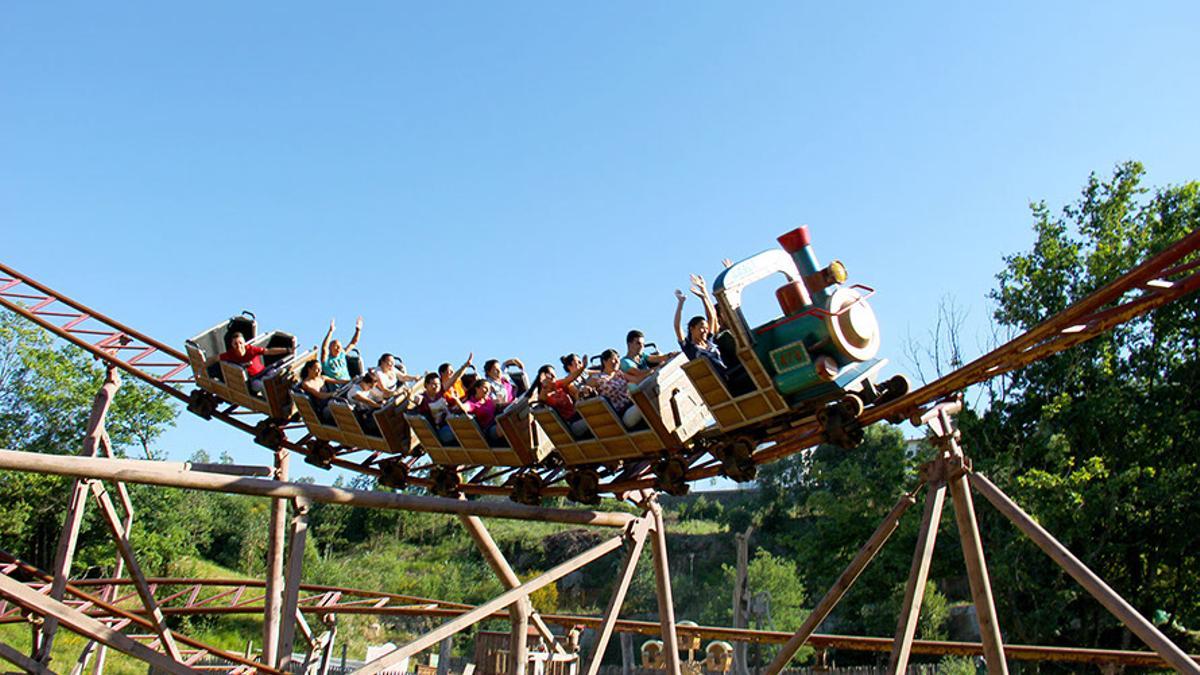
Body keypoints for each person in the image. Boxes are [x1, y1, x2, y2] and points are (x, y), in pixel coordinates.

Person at [674, 274, 729, 380]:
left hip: (727, 374)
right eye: (701, 328)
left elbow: (712, 317)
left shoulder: (709, 341)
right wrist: (681, 303)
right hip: (714, 381)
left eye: (706, 328)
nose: (705, 331)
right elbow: (677, 326)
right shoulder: (689, 347)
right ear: (692, 329)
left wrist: (703, 296)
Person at [219, 330, 293, 393]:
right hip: (254, 381)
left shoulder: (251, 350)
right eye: (235, 344)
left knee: (275, 372)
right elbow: (215, 358)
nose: (239, 346)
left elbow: (269, 351)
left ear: (244, 343)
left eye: (240, 343)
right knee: (261, 385)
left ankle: (285, 389)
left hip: (264, 373)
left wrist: (287, 350)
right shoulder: (230, 354)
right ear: (232, 345)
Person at [586, 349, 643, 428]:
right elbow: (584, 390)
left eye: (618, 359)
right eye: (613, 359)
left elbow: (637, 380)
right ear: (605, 361)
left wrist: (654, 372)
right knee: (643, 407)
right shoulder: (596, 378)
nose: (617, 362)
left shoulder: (619, 374)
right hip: (619, 414)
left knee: (647, 400)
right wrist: (587, 390)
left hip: (630, 404)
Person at [531, 363, 590, 437]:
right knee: (597, 419)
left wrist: (583, 367)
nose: (553, 376)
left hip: (579, 415)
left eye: (554, 374)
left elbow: (571, 378)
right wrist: (544, 386)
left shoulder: (558, 385)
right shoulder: (544, 396)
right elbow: (541, 397)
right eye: (550, 374)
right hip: (571, 424)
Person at [414, 373, 456, 444]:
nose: (436, 386)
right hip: (441, 430)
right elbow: (417, 399)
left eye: (438, 384)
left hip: (451, 422)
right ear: (426, 385)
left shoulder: (440, 393)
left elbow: (454, 378)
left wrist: (465, 366)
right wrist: (410, 397)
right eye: (433, 384)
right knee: (460, 431)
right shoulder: (424, 398)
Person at [321, 317, 362, 381]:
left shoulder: (342, 355)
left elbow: (353, 343)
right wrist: (330, 331)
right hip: (339, 389)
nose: (338, 348)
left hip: (349, 383)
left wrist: (358, 330)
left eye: (340, 347)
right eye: (336, 346)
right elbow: (324, 348)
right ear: (330, 347)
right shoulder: (326, 360)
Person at [345, 370, 386, 434]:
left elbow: (382, 395)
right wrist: (379, 405)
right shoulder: (355, 391)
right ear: (364, 382)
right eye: (370, 386)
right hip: (362, 417)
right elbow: (367, 401)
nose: (371, 388)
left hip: (371, 412)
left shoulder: (371, 389)